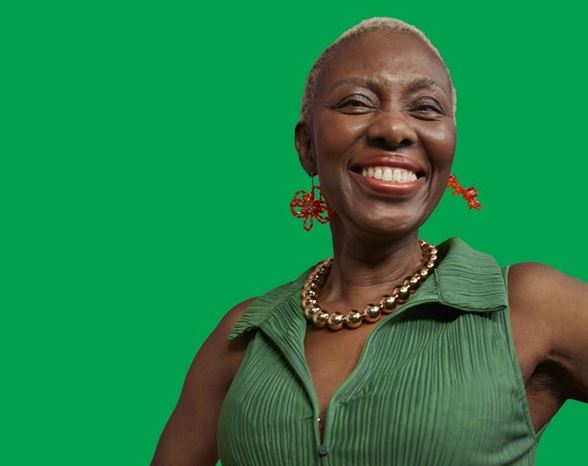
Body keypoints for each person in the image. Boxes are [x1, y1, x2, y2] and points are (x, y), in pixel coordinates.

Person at [150, 17, 587, 466]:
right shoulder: (243, 336)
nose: (395, 128)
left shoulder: (527, 307)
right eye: (357, 103)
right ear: (307, 147)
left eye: (426, 108)